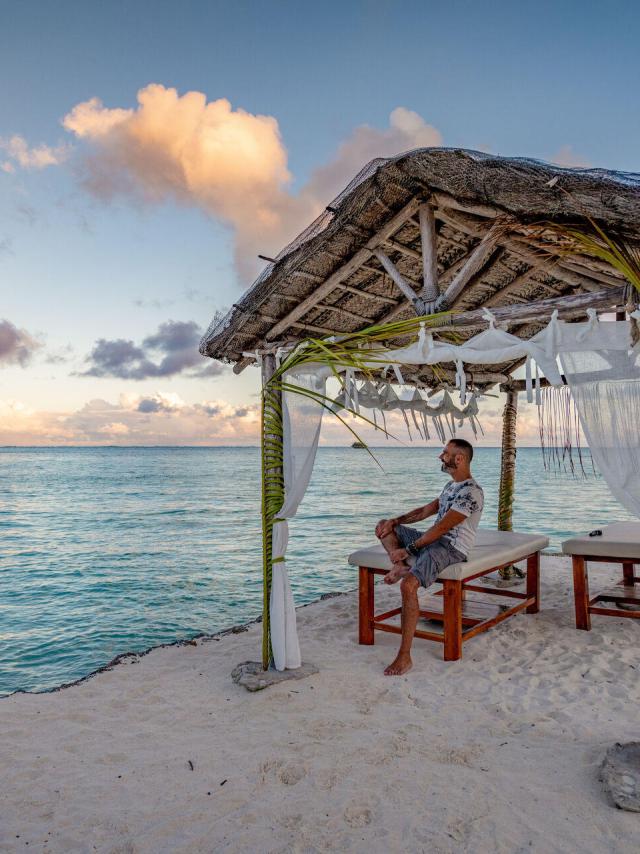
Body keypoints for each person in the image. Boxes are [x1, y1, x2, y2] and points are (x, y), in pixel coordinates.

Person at [375, 438, 484, 676]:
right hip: (433, 540)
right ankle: (402, 566)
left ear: (459, 458)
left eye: (445, 453)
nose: (440, 456)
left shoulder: (471, 493)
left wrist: (410, 548)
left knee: (408, 587)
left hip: (449, 547)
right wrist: (396, 521)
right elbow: (425, 511)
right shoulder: (450, 487)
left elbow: (443, 528)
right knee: (383, 526)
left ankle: (404, 657)